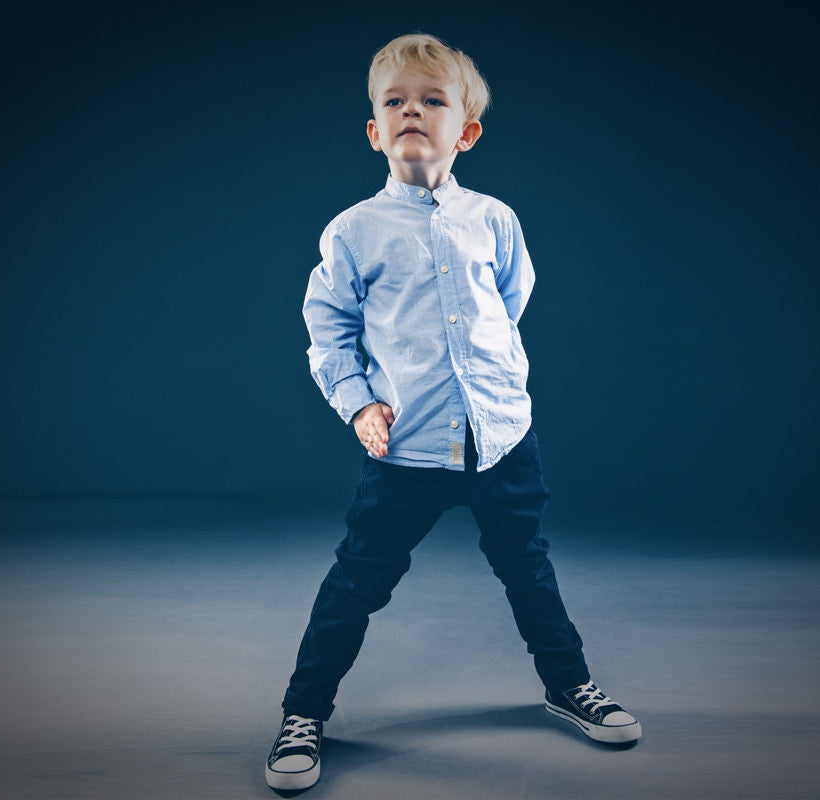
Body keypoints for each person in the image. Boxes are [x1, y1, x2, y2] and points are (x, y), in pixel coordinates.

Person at [265, 33, 642, 792]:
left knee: (529, 572)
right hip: (406, 454)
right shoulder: (353, 232)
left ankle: (567, 686)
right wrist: (359, 402)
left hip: (504, 442)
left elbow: (509, 305)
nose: (412, 110)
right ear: (375, 130)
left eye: (432, 100)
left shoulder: (495, 219)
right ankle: (302, 712)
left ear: (464, 130)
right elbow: (328, 331)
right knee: (356, 585)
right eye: (394, 101)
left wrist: (493, 394)